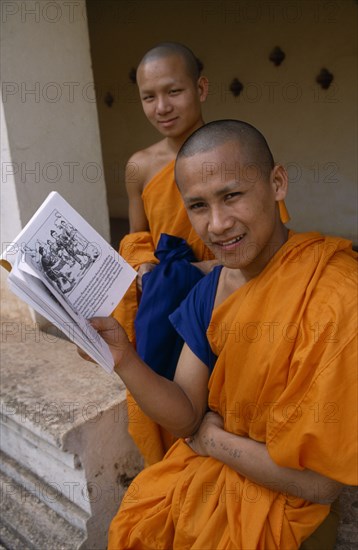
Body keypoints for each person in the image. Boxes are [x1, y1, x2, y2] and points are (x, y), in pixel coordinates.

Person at [81, 120, 357, 549]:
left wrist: (212, 440)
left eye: (232, 196)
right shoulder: (210, 291)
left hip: (289, 510)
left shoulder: (337, 293)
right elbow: (187, 414)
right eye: (198, 206)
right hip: (209, 484)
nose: (218, 224)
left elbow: (320, 484)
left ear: (277, 183)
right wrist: (123, 358)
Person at [113, 42, 215, 465]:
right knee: (161, 381)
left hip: (228, 286)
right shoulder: (140, 166)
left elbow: (265, 236)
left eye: (174, 91)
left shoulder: (230, 152)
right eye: (148, 97)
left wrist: (203, 269)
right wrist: (143, 266)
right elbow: (139, 238)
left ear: (201, 88)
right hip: (169, 297)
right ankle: (174, 465)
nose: (161, 107)